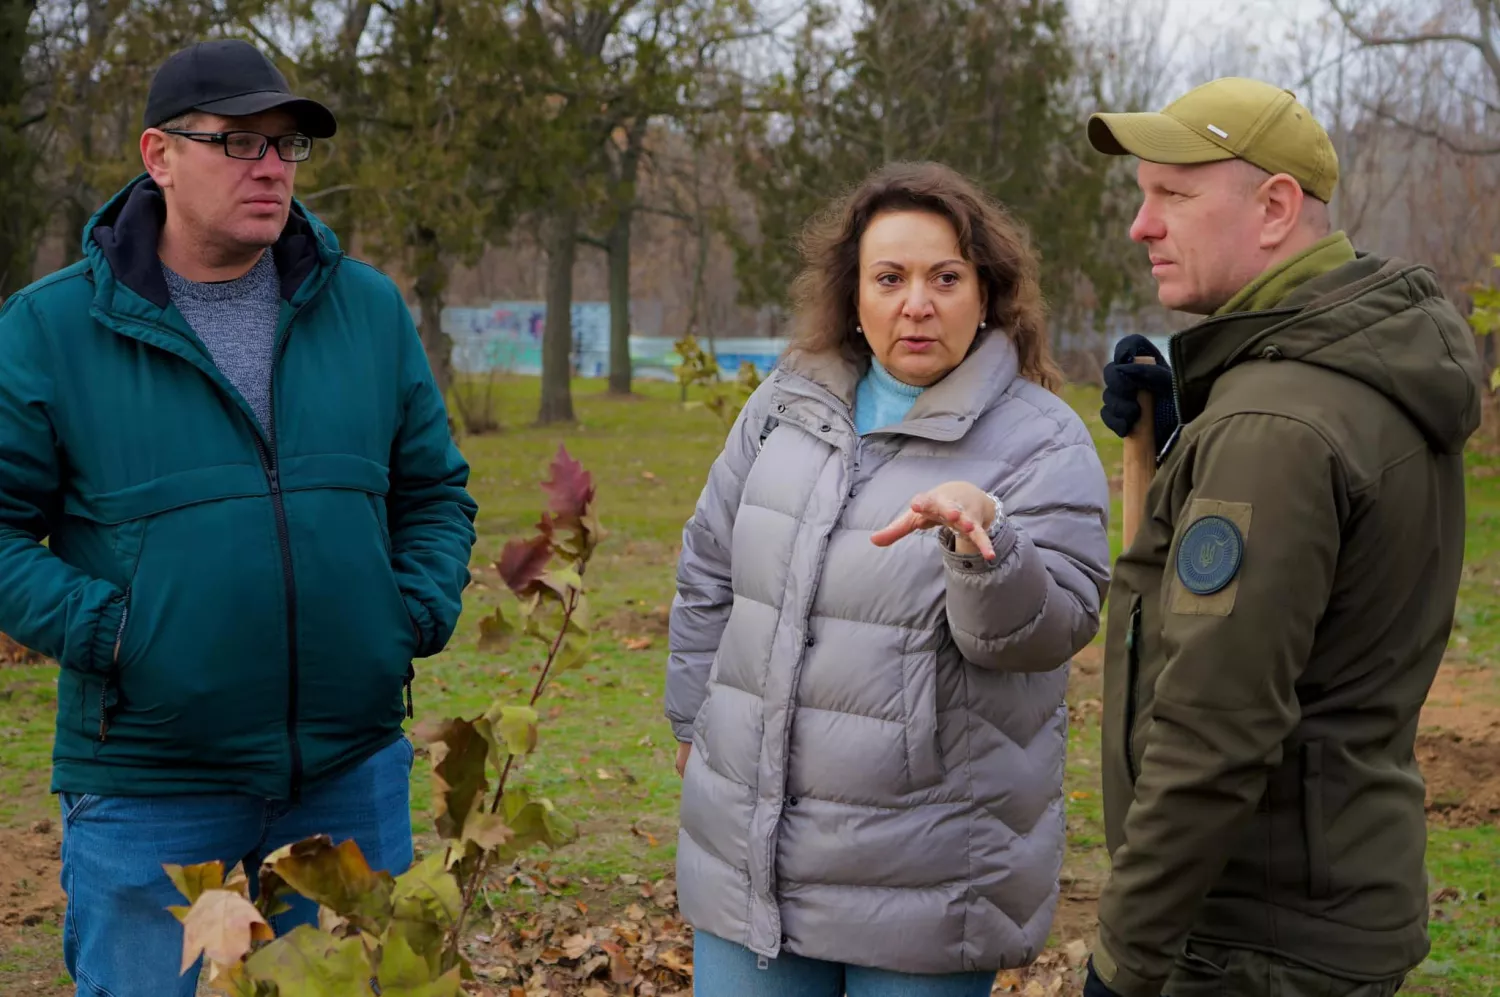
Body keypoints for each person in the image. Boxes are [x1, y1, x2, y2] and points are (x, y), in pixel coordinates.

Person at [0, 39, 478, 996]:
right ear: (158, 154)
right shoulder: (52, 329)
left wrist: (408, 614)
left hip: (350, 772)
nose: (270, 166)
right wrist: (118, 631)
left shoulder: (368, 310)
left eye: (287, 145)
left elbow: (434, 492)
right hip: (150, 784)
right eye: (237, 142)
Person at [663, 161, 1112, 996]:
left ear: (987, 292)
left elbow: (1052, 629)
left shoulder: (1042, 441)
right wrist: (693, 716)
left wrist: (987, 543)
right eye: (890, 277)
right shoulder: (784, 405)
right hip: (754, 855)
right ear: (853, 295)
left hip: (928, 874)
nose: (917, 303)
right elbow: (709, 569)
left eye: (946, 277)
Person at [1081, 77, 1484, 997]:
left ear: (1273, 207)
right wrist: (1180, 439)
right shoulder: (1355, 370)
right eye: (1142, 195)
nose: (1142, 226)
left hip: (1252, 943)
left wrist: (1123, 957)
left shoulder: (1274, 428)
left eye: (1173, 196)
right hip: (1327, 904)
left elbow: (1214, 727)